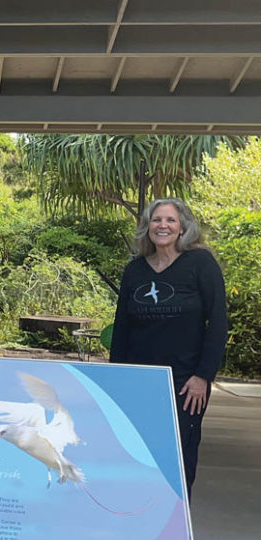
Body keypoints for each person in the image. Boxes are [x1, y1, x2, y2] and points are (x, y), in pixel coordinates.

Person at [110, 198, 227, 497]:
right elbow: (121, 328)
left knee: (179, 458)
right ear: (147, 227)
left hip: (185, 383)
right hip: (139, 381)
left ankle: (176, 516)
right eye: (156, 220)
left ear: (183, 227)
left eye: (170, 220)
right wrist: (116, 380)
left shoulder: (201, 264)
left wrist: (203, 376)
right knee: (137, 455)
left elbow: (217, 323)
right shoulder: (135, 270)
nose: (163, 226)